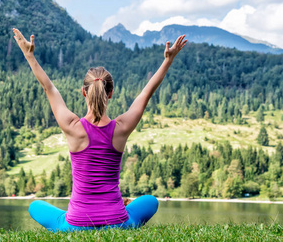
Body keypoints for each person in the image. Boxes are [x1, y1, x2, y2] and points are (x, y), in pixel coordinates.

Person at [12, 28, 187, 232]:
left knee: (35, 206)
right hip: (118, 222)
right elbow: (146, 93)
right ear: (111, 93)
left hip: (76, 225)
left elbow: (49, 88)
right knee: (150, 201)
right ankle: (120, 209)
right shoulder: (121, 128)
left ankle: (70, 219)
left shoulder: (72, 127)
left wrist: (29, 55)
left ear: (83, 92)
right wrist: (167, 60)